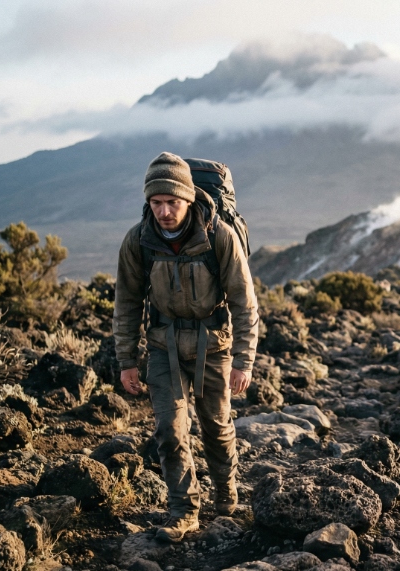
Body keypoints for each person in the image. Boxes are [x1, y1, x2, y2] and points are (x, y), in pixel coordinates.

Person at [113, 152, 259, 543]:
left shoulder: (218, 237)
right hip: (164, 348)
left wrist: (243, 361)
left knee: (216, 425)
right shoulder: (139, 241)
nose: (163, 211)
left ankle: (226, 496)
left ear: (189, 199)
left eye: (171, 202)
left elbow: (245, 302)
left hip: (214, 347)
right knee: (170, 430)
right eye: (156, 203)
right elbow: (126, 303)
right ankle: (184, 511)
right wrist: (127, 361)